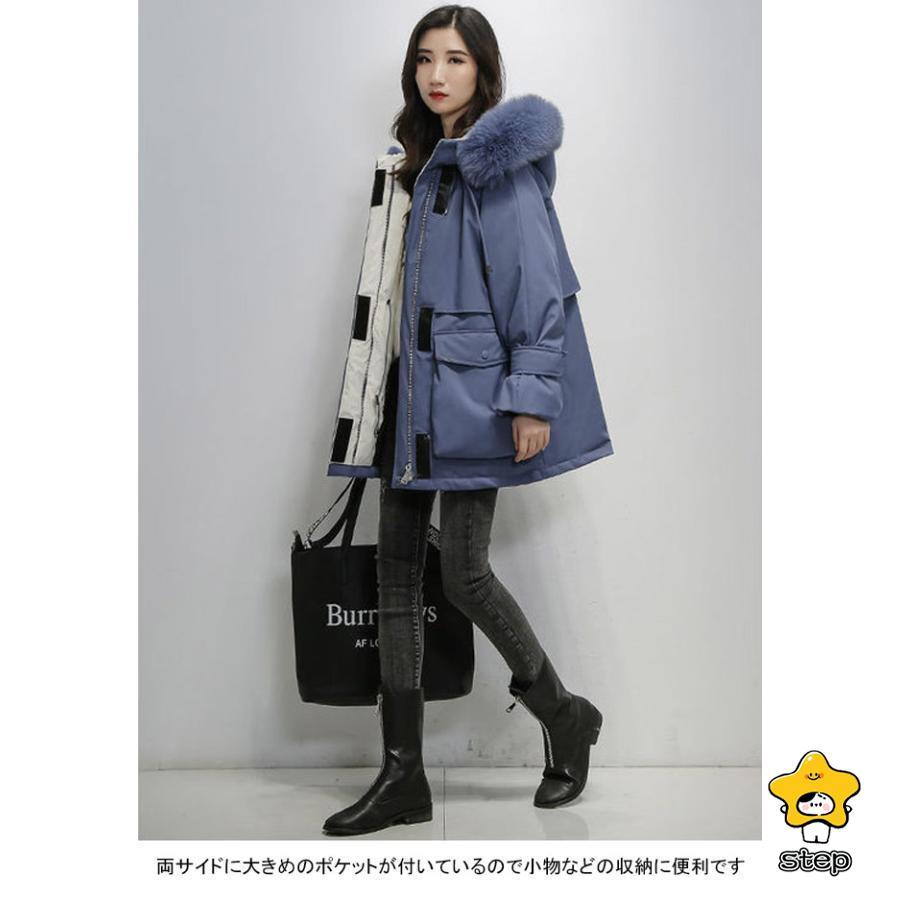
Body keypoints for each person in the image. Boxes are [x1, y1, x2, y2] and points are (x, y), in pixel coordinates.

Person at [322, 5, 614, 837]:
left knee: (464, 574)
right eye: (424, 59)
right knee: (396, 576)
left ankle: (563, 713)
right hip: (406, 400)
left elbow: (536, 287)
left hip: (473, 401)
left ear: (484, 69)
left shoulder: (496, 164)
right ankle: (403, 775)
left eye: (454, 59)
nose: (436, 74)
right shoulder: (413, 164)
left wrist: (532, 396)